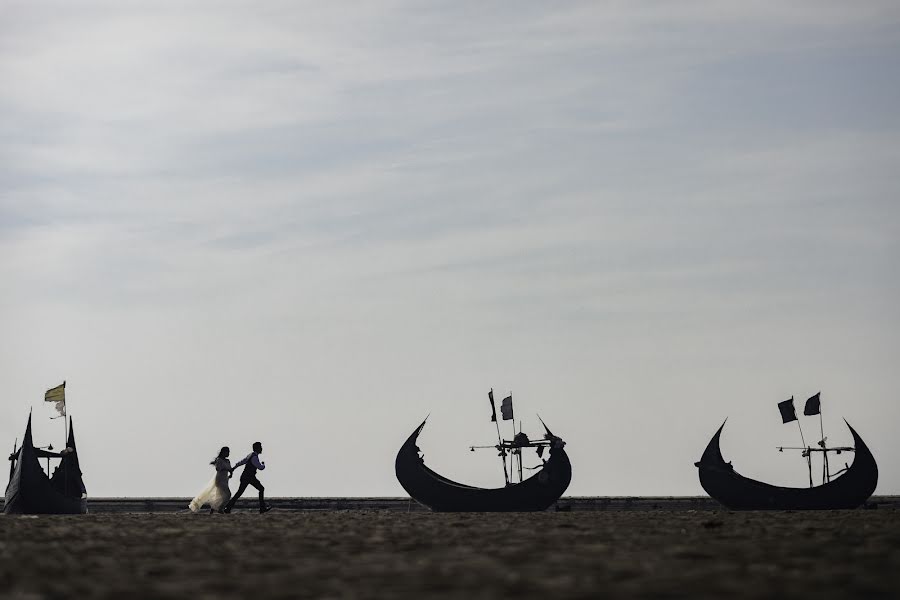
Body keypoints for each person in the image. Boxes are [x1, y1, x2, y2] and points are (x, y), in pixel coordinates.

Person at [223, 442, 271, 513]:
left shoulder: (251, 455)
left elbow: (241, 462)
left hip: (246, 477)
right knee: (261, 489)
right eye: (260, 447)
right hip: (249, 477)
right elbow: (260, 467)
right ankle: (262, 508)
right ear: (257, 448)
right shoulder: (254, 457)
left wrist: (234, 468)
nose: (261, 448)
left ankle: (228, 508)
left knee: (239, 493)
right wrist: (263, 464)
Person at [189, 446, 233, 514]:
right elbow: (218, 469)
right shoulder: (219, 460)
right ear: (223, 452)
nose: (228, 453)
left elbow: (230, 469)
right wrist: (227, 469)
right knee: (228, 494)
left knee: (220, 495)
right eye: (227, 452)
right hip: (220, 480)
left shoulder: (227, 461)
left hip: (225, 480)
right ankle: (220, 509)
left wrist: (231, 473)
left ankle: (213, 509)